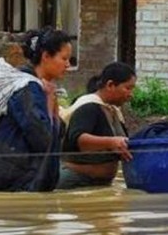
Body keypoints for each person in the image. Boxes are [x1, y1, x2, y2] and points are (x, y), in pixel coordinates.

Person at [0, 27, 72, 192]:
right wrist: (50, 104)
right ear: (46, 56)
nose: (68, 65)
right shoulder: (27, 88)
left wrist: (52, 105)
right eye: (64, 58)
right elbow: (42, 138)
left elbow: (56, 131)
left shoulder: (34, 86)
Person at [57, 62, 136, 190]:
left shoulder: (113, 111)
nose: (130, 94)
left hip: (95, 184)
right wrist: (111, 142)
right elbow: (79, 140)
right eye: (128, 88)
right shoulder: (88, 107)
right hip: (73, 180)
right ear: (110, 85)